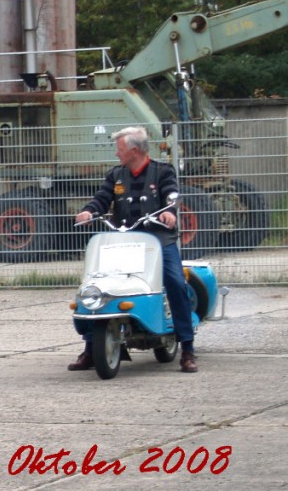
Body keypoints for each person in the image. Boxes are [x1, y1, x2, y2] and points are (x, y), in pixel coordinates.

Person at [70, 126, 198, 373]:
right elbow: (101, 198)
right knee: (97, 285)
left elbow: (172, 196)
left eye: (119, 148)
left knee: (175, 282)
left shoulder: (163, 171)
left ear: (134, 150)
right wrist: (88, 211)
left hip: (158, 240)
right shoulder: (116, 175)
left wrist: (170, 212)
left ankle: (188, 348)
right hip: (124, 240)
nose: (116, 153)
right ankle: (91, 347)